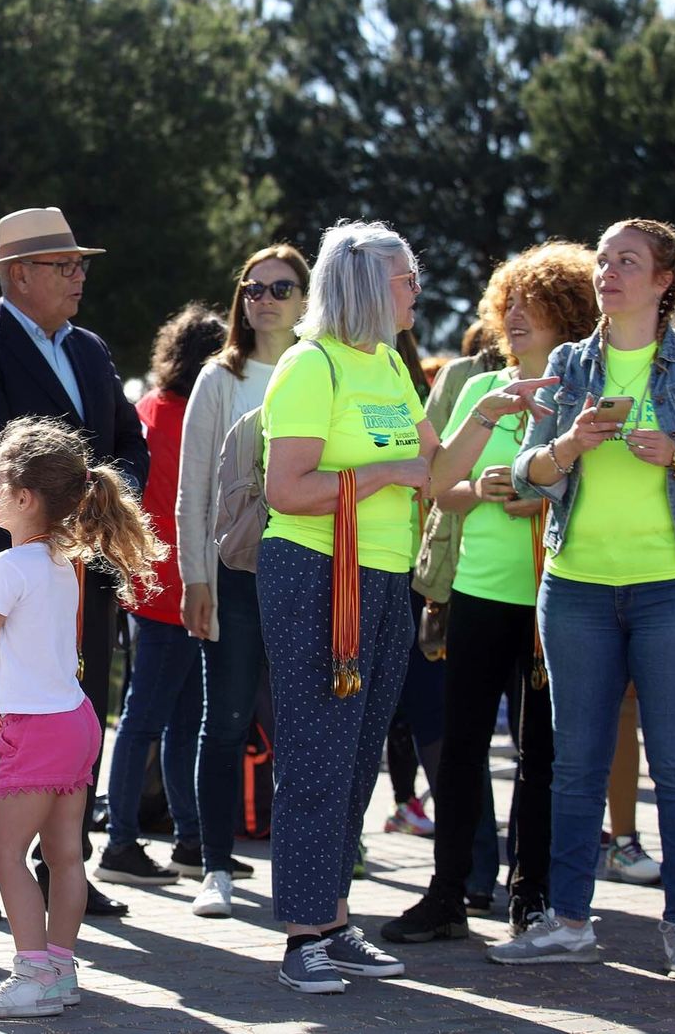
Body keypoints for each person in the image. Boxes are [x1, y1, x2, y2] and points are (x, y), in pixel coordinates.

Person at [257, 220, 551, 993]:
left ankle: (332, 917)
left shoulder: (389, 363)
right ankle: (301, 935)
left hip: (384, 575)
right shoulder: (308, 366)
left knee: (355, 755)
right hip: (317, 572)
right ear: (363, 284)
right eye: (405, 278)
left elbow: (435, 468)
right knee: (319, 751)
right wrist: (385, 471)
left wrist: (489, 412)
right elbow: (286, 489)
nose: (416, 289)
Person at [491, 219, 675, 980]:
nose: (608, 271)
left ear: (665, 280)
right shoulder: (570, 363)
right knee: (576, 763)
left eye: (626, 261)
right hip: (576, 588)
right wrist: (570, 444)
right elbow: (529, 473)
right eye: (603, 260)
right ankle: (570, 920)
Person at [383, 242, 597, 948]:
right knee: (464, 746)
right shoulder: (481, 389)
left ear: (568, 313)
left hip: (554, 596)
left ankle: (530, 898)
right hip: (478, 590)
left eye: (530, 308)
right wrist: (486, 488)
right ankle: (448, 892)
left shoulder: (584, 395)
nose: (513, 318)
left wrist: (538, 497)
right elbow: (442, 486)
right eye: (508, 305)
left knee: (542, 754)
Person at [0, 207, 148, 922]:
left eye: (80, 263)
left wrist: (102, 513)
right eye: (65, 265)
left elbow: (128, 440)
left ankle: (67, 862)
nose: (79, 275)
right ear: (19, 274)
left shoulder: (91, 349)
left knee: (74, 703)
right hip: (14, 560)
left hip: (82, 569)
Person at [0, 416, 166, 1018]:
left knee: (0, 857)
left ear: (23, 497)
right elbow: (18, 616)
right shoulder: (61, 559)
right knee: (65, 854)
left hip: (36, 731)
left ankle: (32, 975)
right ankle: (60, 968)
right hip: (74, 723)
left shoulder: (14, 567)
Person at [176, 244, 308, 917]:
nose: (265, 297)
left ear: (307, 299)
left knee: (304, 726)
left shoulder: (321, 371)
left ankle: (307, 866)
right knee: (224, 721)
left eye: (281, 287)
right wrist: (193, 578)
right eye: (253, 287)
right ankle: (216, 867)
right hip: (230, 575)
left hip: (310, 571)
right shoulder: (219, 378)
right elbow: (191, 485)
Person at [96, 304, 225, 888]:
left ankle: (190, 840)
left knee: (169, 721)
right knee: (151, 721)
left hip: (157, 585)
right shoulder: (190, 415)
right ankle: (123, 843)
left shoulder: (151, 408)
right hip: (178, 587)